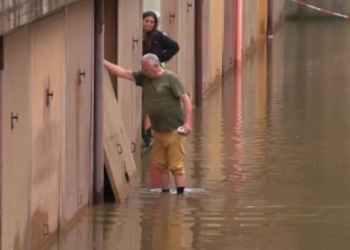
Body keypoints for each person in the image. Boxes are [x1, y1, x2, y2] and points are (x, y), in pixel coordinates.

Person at [104, 53, 192, 194]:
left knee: (176, 166)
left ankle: (180, 197)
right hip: (158, 130)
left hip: (175, 129)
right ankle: (165, 195)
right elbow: (123, 73)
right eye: (143, 70)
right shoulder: (145, 78)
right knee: (161, 165)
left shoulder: (171, 78)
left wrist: (188, 123)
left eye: (146, 70)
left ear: (156, 66)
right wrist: (102, 62)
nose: (144, 73)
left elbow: (186, 100)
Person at [141, 10, 180, 148]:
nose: (149, 24)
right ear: (142, 21)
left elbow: (175, 47)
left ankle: (147, 133)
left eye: (152, 22)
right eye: (147, 21)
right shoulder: (137, 35)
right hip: (141, 72)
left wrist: (160, 58)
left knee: (150, 101)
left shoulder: (158, 36)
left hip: (154, 73)